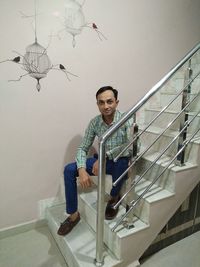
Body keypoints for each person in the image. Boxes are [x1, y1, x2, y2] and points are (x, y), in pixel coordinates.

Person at [57, 86, 132, 236]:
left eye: (109, 102)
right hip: (102, 161)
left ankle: (113, 198)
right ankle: (73, 215)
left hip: (118, 161)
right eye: (101, 102)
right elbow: (83, 147)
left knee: (123, 161)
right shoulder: (95, 123)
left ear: (116, 102)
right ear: (97, 104)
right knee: (69, 170)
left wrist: (105, 155)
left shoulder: (126, 119)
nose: (106, 106)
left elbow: (133, 147)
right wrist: (81, 169)